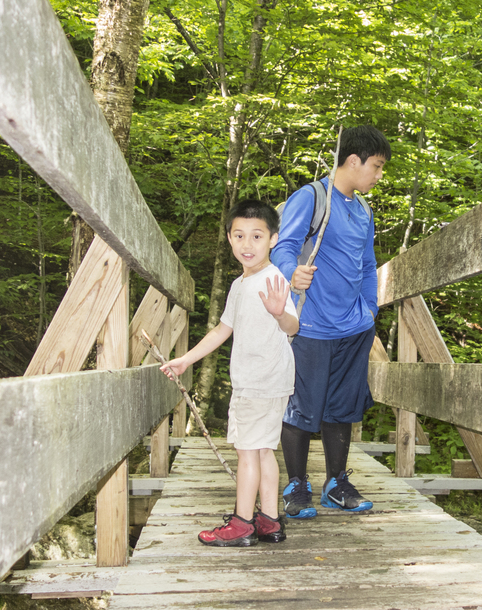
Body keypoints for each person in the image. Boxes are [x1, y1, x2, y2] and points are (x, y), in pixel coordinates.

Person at [160, 200, 299, 546]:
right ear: (229, 238)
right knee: (263, 450)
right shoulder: (240, 284)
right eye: (239, 235)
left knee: (248, 452)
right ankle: (269, 521)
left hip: (261, 381)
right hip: (268, 381)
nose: (247, 244)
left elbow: (292, 327)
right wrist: (186, 360)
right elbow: (222, 330)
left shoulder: (272, 279)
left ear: (273, 239)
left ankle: (242, 523)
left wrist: (279, 312)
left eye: (257, 236)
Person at [272, 125, 389, 518]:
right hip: (311, 324)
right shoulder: (312, 197)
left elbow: (368, 264)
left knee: (342, 407)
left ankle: (336, 484)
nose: (379, 175)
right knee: (301, 408)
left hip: (354, 327)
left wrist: (369, 309)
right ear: (353, 161)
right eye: (376, 166)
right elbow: (284, 246)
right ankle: (296, 486)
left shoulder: (364, 211)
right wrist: (291, 272)